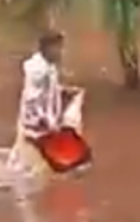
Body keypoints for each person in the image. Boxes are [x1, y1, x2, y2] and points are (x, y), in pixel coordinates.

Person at [9, 29, 86, 172]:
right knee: (33, 171)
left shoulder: (48, 67)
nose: (61, 52)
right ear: (46, 48)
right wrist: (49, 123)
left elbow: (47, 93)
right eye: (58, 48)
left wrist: (63, 92)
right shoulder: (39, 72)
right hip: (37, 128)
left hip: (38, 127)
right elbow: (34, 99)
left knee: (27, 166)